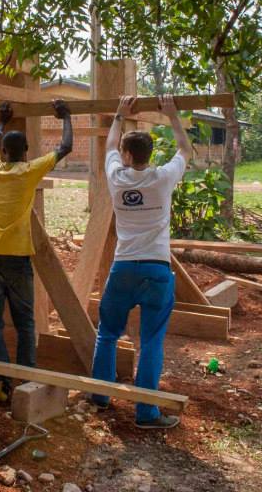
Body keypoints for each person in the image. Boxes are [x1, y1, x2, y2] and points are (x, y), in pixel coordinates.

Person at [89, 94, 194, 429]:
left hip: (123, 269)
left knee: (107, 333)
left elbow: (107, 148)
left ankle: (100, 397)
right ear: (148, 155)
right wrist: (172, 115)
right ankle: (146, 413)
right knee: (150, 341)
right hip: (156, 270)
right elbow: (185, 150)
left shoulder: (117, 177)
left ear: (127, 154)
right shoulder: (163, 178)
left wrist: (119, 114)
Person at [0, 99, 73, 399]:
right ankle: (26, 380)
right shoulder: (30, 170)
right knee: (25, 322)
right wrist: (66, 117)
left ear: (6, 153)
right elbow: (65, 147)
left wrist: (1, 122)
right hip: (17, 258)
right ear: (27, 152)